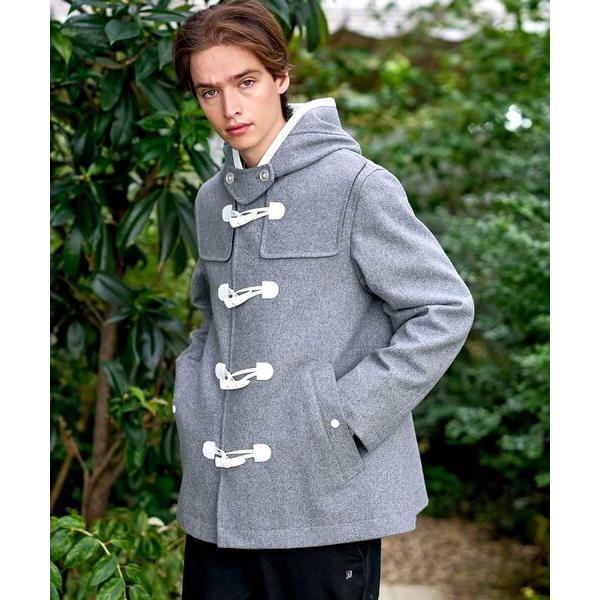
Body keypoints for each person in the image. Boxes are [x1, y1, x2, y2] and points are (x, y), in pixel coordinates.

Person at [171, 1, 475, 598]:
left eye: (246, 82)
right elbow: (211, 317)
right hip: (219, 503)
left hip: (325, 496)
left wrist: (344, 419)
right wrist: (194, 387)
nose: (230, 108)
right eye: (209, 91)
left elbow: (442, 310)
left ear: (281, 77)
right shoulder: (212, 200)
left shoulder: (356, 184)